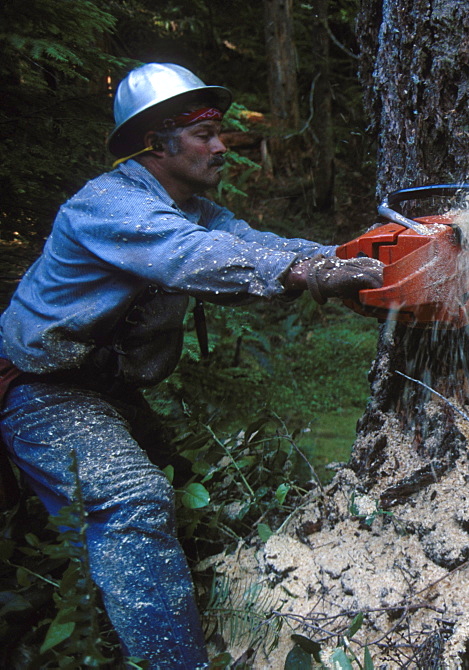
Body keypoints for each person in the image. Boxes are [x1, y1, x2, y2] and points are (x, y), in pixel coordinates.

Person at [0, 63, 382, 667]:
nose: (221, 146)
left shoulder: (194, 210)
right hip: (44, 393)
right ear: (157, 141)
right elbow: (194, 256)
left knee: (185, 509)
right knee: (133, 502)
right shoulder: (107, 205)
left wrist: (363, 259)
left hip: (105, 392)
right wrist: (305, 273)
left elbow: (259, 243)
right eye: (204, 134)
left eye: (220, 132)